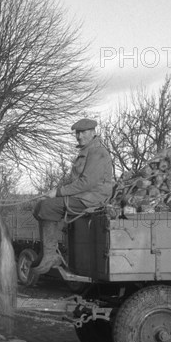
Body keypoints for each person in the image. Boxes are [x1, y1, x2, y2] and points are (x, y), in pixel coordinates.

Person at [31, 118, 113, 276]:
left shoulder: (97, 152)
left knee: (46, 207)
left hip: (91, 198)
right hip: (82, 196)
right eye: (77, 133)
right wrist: (54, 192)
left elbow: (87, 183)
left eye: (83, 132)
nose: (79, 136)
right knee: (42, 206)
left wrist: (58, 192)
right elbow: (77, 182)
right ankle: (48, 252)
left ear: (93, 133)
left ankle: (50, 256)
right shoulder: (87, 151)